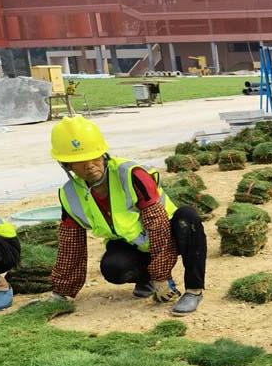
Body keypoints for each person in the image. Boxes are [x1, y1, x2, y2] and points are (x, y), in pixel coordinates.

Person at [48, 116, 206, 316]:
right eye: (80, 161)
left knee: (188, 218)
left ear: (104, 154)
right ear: (67, 165)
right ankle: (145, 280)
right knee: (113, 268)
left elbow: (157, 225)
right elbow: (70, 247)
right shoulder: (70, 194)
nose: (90, 165)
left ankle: (193, 290)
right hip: (134, 245)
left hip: (169, 235)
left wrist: (161, 274)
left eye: (94, 156)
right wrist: (61, 292)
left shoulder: (132, 174)